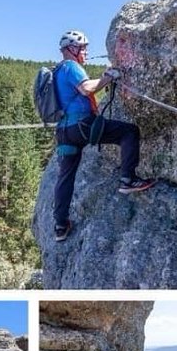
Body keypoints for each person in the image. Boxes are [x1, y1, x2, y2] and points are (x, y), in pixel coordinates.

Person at [52, 30, 154, 242]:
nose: (86, 51)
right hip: (82, 125)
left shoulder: (57, 71)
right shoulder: (71, 66)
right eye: (83, 48)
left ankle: (60, 225)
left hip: (64, 131)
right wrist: (109, 76)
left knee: (66, 176)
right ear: (72, 49)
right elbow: (87, 88)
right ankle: (128, 179)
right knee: (129, 131)